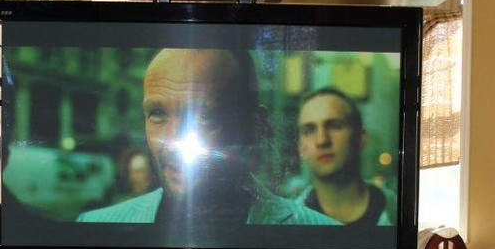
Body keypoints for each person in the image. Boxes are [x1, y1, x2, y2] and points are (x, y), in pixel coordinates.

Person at [78, 49, 339, 228]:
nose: (173, 141)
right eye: (158, 113)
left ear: (255, 126)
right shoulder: (92, 225)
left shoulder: (324, 235)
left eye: (204, 115)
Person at [295, 87, 396, 226]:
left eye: (335, 126)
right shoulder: (290, 222)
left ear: (361, 138)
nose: (322, 140)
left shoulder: (398, 211)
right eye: (309, 130)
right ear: (301, 147)